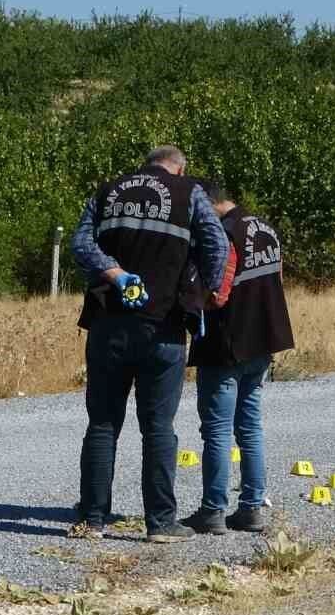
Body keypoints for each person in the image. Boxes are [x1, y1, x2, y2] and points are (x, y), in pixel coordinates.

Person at [70, 146, 228, 543]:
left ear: (147, 164)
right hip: (164, 324)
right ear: (178, 167)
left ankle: (92, 519)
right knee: (158, 427)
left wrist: (116, 273)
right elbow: (217, 245)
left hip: (108, 322)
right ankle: (160, 523)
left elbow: (81, 244)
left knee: (103, 423)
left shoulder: (108, 191)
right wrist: (204, 293)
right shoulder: (188, 192)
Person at [180, 183, 295, 534]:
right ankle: (252, 508)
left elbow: (219, 293)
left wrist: (189, 301)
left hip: (227, 343)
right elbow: (277, 278)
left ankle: (213, 510)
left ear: (209, 204)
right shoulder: (266, 229)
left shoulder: (224, 233)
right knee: (250, 428)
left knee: (216, 430)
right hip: (263, 340)